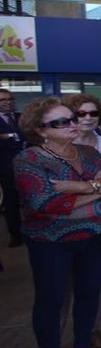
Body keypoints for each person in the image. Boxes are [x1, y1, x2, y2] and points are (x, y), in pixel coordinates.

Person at [16, 98, 101, 348]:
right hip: (51, 241)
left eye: (72, 119)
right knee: (51, 298)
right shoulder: (29, 160)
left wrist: (75, 187)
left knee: (89, 294)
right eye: (61, 122)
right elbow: (44, 203)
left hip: (93, 236)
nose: (72, 125)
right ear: (40, 130)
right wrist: (98, 189)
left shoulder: (88, 153)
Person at [63, 93, 101, 348]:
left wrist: (84, 189)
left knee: (93, 282)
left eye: (93, 113)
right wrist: (97, 187)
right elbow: (53, 193)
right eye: (80, 114)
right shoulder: (55, 146)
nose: (87, 118)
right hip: (60, 227)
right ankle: (52, 342)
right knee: (59, 287)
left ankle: (91, 331)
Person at [0, 88, 26, 246]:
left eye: (10, 99)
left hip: (28, 167)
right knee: (11, 203)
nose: (8, 102)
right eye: (3, 100)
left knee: (31, 200)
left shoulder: (22, 117)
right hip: (6, 169)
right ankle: (16, 235)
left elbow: (30, 135)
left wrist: (8, 136)